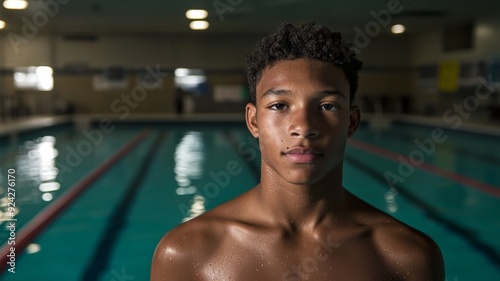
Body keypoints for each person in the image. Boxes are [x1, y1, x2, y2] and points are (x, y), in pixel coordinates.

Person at [151, 22, 445, 280]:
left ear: (352, 122)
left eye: (327, 106)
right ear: (254, 121)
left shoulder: (407, 256)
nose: (303, 127)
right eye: (279, 106)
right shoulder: (186, 253)